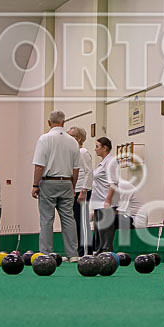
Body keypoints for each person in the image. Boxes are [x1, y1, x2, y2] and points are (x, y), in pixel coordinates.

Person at [31, 110, 81, 261]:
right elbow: (76, 169)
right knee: (68, 218)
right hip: (66, 182)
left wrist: (35, 185)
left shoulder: (44, 139)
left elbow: (39, 166)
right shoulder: (73, 141)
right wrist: (72, 186)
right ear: (64, 123)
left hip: (48, 182)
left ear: (49, 123)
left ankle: (47, 254)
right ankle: (72, 254)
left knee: (47, 219)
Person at [68, 126, 94, 256]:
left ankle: (86, 251)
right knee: (75, 222)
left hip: (82, 191)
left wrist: (84, 190)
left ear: (78, 138)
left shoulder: (83, 152)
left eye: (70, 135)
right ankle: (79, 251)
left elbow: (89, 172)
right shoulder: (73, 153)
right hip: (75, 191)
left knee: (82, 221)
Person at [91, 137, 119, 253]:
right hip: (98, 203)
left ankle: (107, 256)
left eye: (97, 147)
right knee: (99, 234)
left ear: (105, 148)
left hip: (106, 203)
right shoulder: (102, 164)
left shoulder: (111, 162)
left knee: (106, 234)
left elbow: (113, 183)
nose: (95, 149)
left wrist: (108, 200)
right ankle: (99, 255)